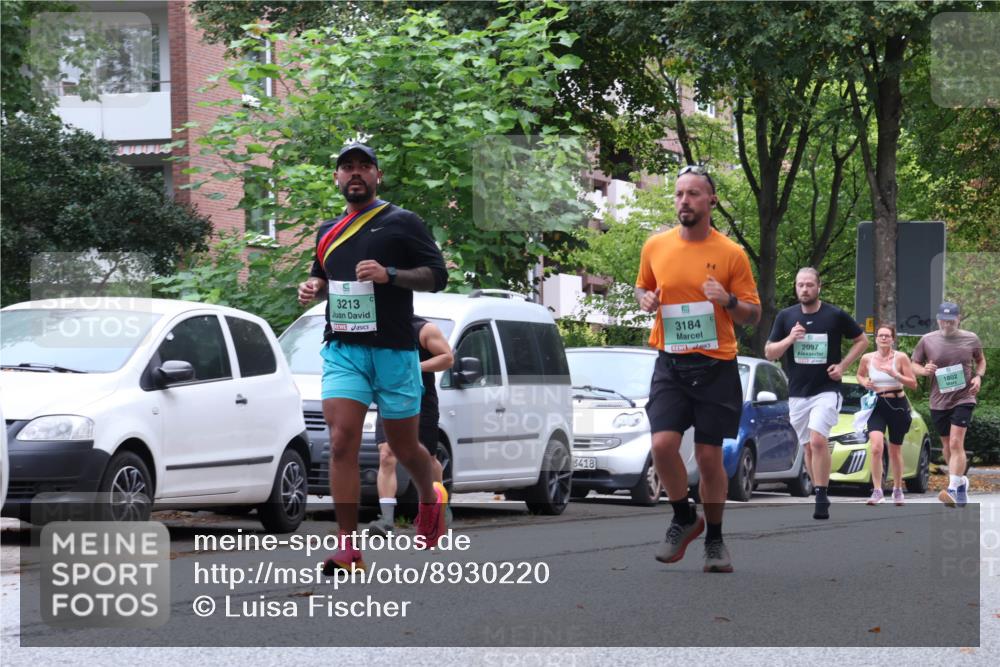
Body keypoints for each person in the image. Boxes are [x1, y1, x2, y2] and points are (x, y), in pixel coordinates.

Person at [297, 142, 449, 573]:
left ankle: (430, 497)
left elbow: (437, 275)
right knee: (342, 440)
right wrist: (312, 288)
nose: (356, 173)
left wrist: (391, 275)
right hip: (344, 348)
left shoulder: (401, 222)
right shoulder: (327, 230)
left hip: (395, 349)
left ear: (377, 176)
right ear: (337, 178)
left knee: (404, 446)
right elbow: (322, 276)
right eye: (348, 167)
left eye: (365, 166)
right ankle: (348, 548)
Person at [635, 164, 761, 573]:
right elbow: (643, 286)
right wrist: (645, 300)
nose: (684, 201)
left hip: (716, 365)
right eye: (678, 194)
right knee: (662, 446)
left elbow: (753, 315)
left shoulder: (731, 254)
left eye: (692, 194)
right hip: (670, 362)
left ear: (711, 201)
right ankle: (684, 516)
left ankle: (716, 539)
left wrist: (726, 300)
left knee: (709, 458)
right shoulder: (656, 246)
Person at [765, 267, 868, 520]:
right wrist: (790, 339)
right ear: (795, 287)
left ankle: (822, 494)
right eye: (800, 285)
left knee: (819, 440)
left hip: (826, 389)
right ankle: (818, 487)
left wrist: (843, 366)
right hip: (798, 393)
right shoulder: (786, 317)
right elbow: (769, 352)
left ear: (818, 287)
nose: (804, 289)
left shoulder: (834, 315)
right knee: (809, 447)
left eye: (809, 285)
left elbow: (862, 340)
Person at [368, 316, 453, 537]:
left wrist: (415, 366)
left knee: (428, 457)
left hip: (421, 400)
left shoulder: (423, 330)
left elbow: (447, 358)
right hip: (389, 398)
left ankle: (438, 507)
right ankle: (386, 520)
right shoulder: (373, 330)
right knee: (386, 454)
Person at [911, 302, 986, 507]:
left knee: (955, 443)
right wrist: (924, 370)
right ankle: (961, 482)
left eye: (951, 320)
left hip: (964, 397)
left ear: (958, 319)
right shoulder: (927, 340)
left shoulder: (971, 338)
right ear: (937, 320)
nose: (947, 324)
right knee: (947, 446)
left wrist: (978, 377)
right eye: (943, 320)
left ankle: (952, 488)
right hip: (938, 400)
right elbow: (913, 364)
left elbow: (981, 360)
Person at [857, 324, 918, 505]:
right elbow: (860, 375)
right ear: (875, 338)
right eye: (880, 335)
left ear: (892, 339)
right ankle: (877, 491)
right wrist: (864, 382)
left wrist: (896, 374)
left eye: (887, 336)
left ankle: (898, 489)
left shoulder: (901, 358)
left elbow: (913, 383)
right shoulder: (867, 358)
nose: (883, 338)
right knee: (876, 447)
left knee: (895, 449)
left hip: (897, 404)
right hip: (876, 405)